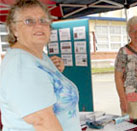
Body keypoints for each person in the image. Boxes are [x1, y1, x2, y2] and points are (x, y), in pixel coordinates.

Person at [0, 0, 81, 130]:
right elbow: (42, 122)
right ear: (14, 29)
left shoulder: (39, 56)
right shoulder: (20, 64)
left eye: (43, 20)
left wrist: (56, 73)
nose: (39, 26)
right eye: (29, 21)